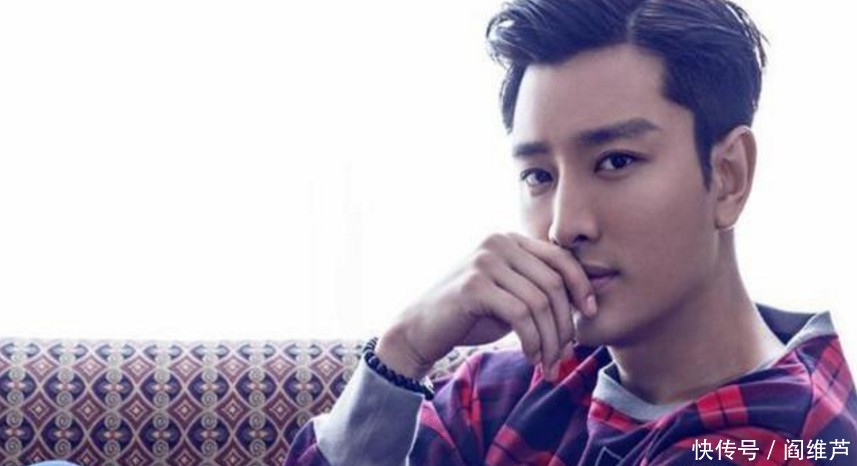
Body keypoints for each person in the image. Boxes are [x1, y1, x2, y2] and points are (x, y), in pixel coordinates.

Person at [285, 0, 857, 464]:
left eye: (615, 161)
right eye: (539, 175)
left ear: (728, 177)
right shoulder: (509, 389)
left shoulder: (785, 437)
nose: (564, 225)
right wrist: (403, 349)